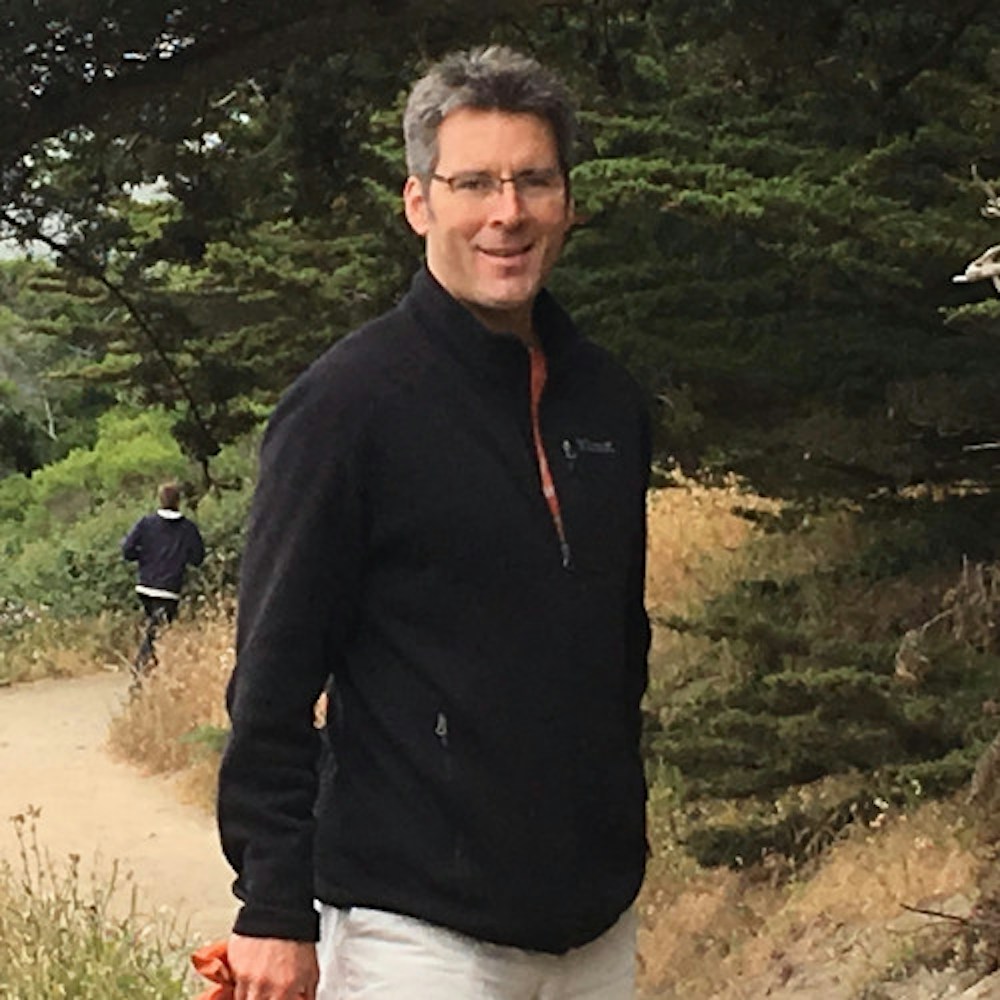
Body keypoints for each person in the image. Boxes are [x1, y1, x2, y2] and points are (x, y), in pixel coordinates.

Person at [218, 45, 652, 1000]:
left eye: (534, 180)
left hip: (596, 929)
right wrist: (273, 909)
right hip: (412, 932)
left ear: (568, 200)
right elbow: (273, 680)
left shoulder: (609, 402)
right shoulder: (346, 407)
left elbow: (621, 648)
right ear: (419, 202)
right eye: (475, 183)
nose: (508, 212)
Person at [121, 481, 205, 674]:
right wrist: (180, 558)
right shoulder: (187, 528)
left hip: (145, 586)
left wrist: (143, 557)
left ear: (160, 499)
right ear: (178, 501)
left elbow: (127, 550)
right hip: (169, 589)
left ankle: (152, 671)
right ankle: (140, 669)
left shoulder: (146, 523)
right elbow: (198, 558)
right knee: (156, 632)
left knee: (156, 628)